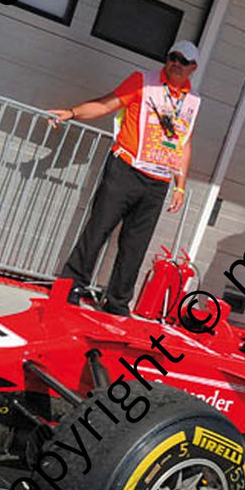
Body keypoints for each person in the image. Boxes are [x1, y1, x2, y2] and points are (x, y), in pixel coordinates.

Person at [50, 40, 201, 315]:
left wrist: (180, 187)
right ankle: (70, 286)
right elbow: (106, 104)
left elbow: (184, 144)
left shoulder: (192, 102)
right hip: (125, 169)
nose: (176, 63)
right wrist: (72, 113)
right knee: (98, 230)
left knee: (135, 246)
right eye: (172, 57)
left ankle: (117, 302)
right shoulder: (143, 81)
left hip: (158, 182)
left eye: (183, 60)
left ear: (193, 68)